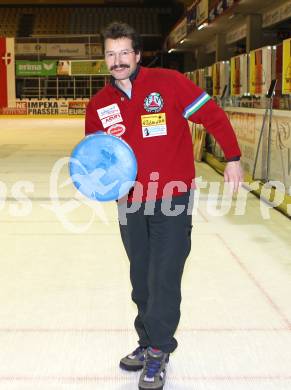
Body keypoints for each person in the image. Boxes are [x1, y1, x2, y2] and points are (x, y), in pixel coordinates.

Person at [85, 21, 243, 390]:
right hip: (129, 203)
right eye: (111, 53)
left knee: (164, 276)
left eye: (125, 52)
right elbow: (97, 157)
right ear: (104, 58)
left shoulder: (168, 83)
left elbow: (212, 114)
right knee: (141, 278)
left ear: (138, 54)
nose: (118, 60)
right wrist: (93, 179)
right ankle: (146, 340)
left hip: (171, 197)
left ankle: (159, 349)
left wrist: (232, 156)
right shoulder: (99, 105)